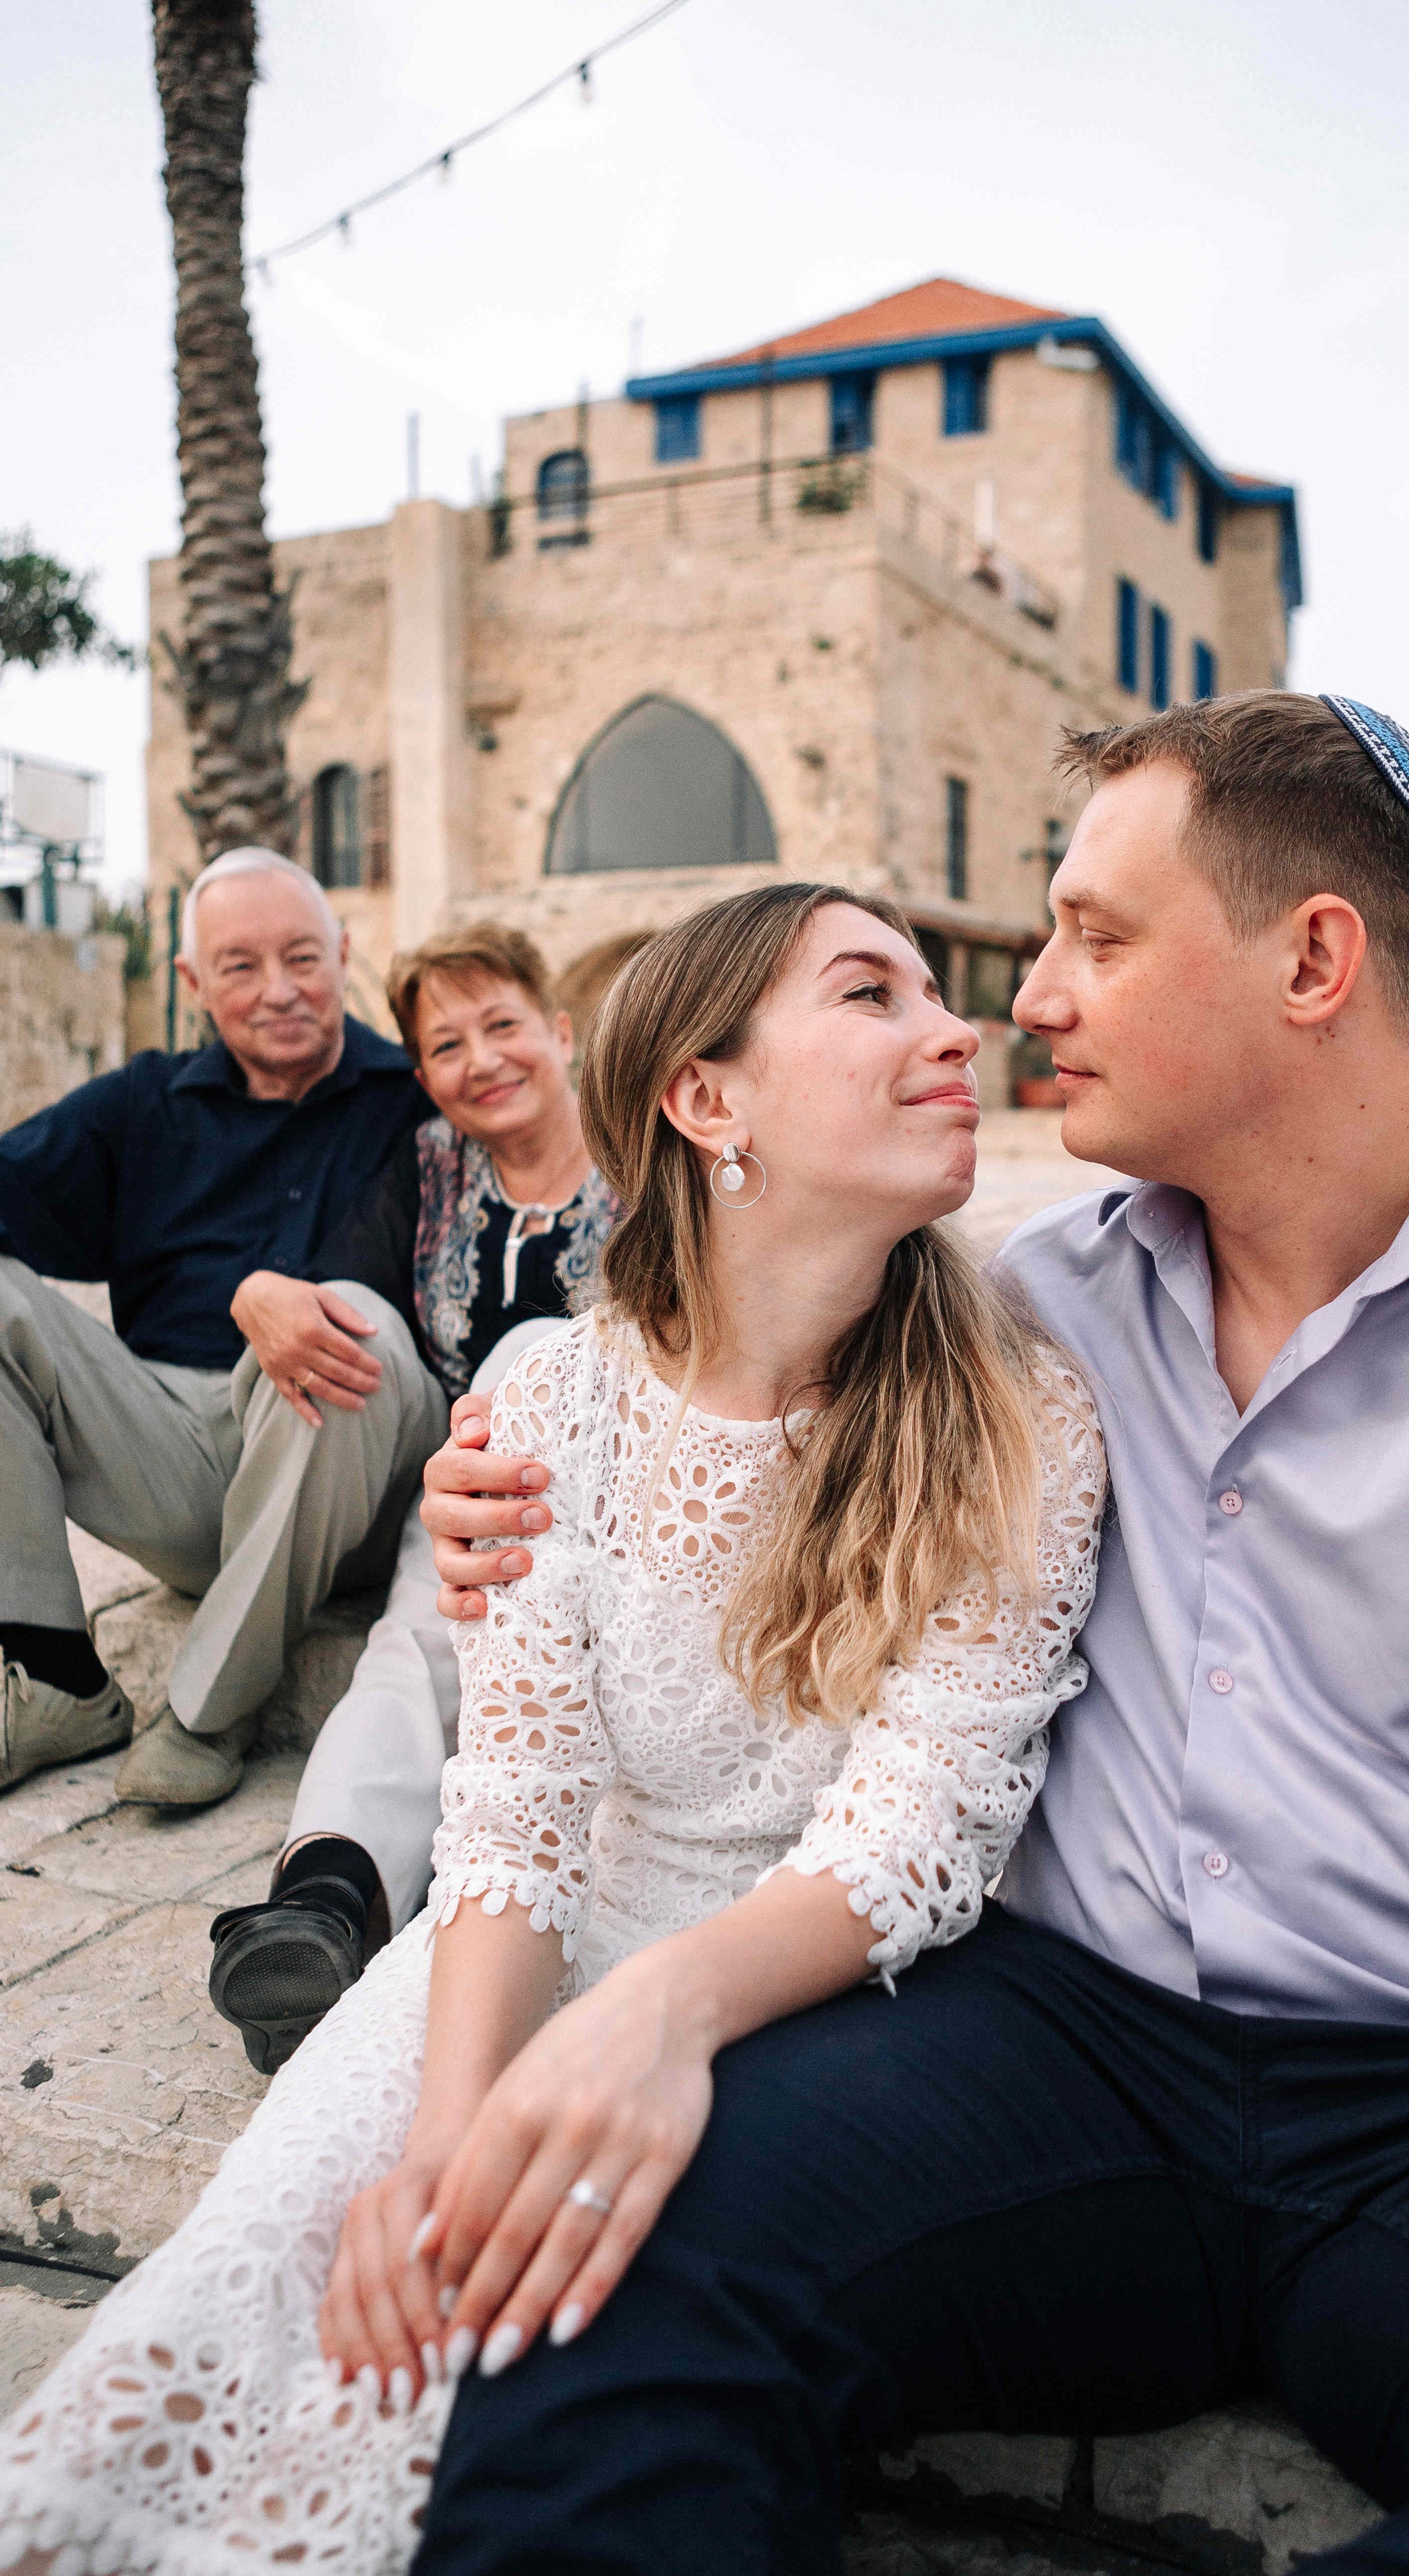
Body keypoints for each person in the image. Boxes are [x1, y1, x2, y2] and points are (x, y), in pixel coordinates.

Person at [411, 693, 1409, 2576]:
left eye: (1099, 938)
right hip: (1058, 2048)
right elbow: (701, 1423)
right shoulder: (1026, 1303)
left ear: (1315, 963)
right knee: (601, 2260)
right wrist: (487, 1497)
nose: (1029, 1000)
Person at [0, 882, 1104, 2570]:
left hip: (794, 1992)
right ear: (705, 1100)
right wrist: (445, 2131)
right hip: (521, 1935)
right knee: (257, 2290)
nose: (963, 1028)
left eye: (930, 995)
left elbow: (924, 1822)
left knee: (472, 2377)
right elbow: (511, 1809)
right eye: (869, 994)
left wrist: (640, 2034)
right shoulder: (549, 1395)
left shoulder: (1018, 1405)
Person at [206, 922, 624, 2076]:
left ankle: (369, 1886)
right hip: (468, 1505)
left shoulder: (650, 1154)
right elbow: (349, 1297)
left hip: (618, 1499)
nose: (481, 1060)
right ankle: (325, 1897)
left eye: (502, 1026)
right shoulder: (432, 1164)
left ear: (559, 1028)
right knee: (407, 1642)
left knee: (533, 1351)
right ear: (424, 1073)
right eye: (446, 1045)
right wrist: (260, 1291)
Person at [0, 848, 444, 1809]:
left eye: (302, 958)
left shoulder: (420, 1098)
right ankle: (51, 1679)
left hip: (347, 1478)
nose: (278, 991)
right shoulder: (142, 1102)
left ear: (344, 952)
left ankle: (208, 1711)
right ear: (194, 981)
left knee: (352, 1321)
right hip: (167, 1451)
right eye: (240, 967)